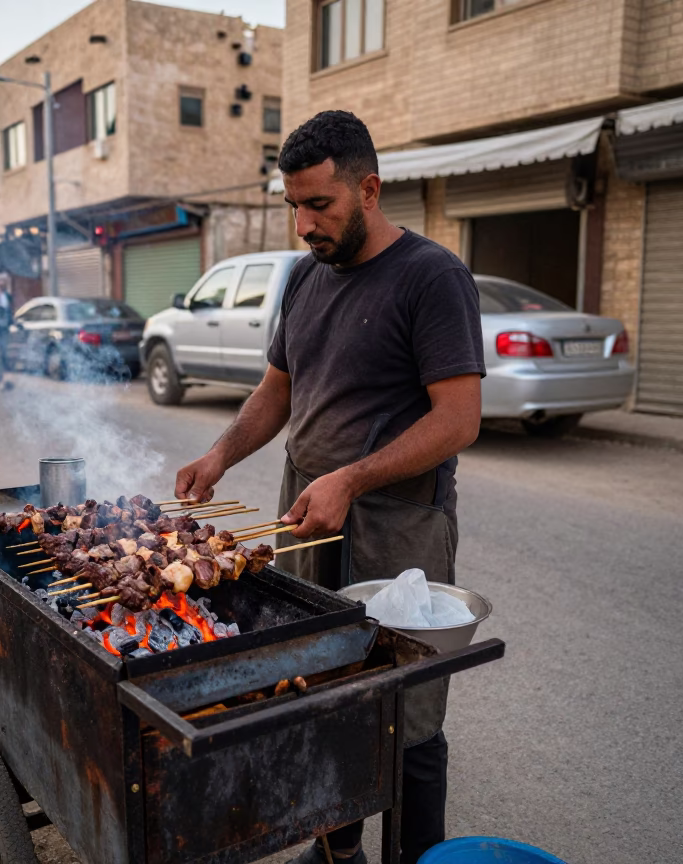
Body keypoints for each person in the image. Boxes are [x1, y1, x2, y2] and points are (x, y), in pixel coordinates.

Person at [174, 112, 485, 864]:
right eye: (294, 205)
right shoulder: (306, 278)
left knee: (404, 709)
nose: (304, 222)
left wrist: (352, 475)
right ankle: (338, 848)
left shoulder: (432, 277)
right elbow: (277, 392)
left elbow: (459, 419)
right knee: (316, 688)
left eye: (320, 205)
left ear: (368, 189)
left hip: (396, 525)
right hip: (309, 512)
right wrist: (220, 454)